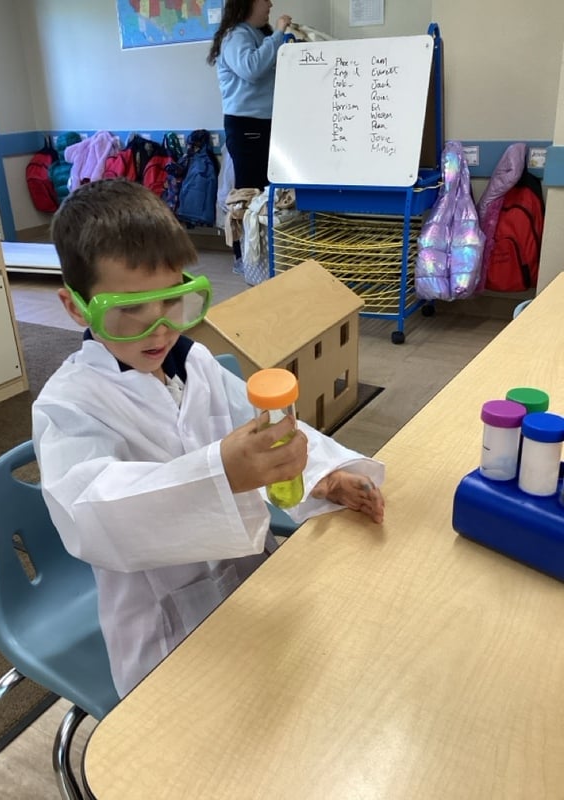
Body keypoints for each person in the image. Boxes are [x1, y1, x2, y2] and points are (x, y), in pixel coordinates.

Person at [32, 179, 385, 698]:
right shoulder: (69, 404)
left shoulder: (193, 363)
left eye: (173, 301)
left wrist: (322, 475)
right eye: (129, 309)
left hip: (249, 589)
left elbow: (265, 430)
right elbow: (92, 512)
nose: (158, 331)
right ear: (75, 307)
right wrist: (220, 474)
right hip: (160, 627)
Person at [207, 0, 291, 274]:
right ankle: (245, 260)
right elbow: (251, 69)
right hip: (247, 125)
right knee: (249, 193)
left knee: (266, 193)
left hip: (265, 123)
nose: (270, 4)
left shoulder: (256, 34)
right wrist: (278, 35)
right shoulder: (236, 35)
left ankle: (263, 257)